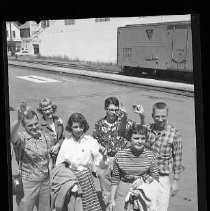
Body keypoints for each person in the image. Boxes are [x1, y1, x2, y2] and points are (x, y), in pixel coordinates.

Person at [92, 96, 145, 204]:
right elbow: (93, 142)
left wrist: (142, 115)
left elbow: (141, 131)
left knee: (122, 194)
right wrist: (97, 155)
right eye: (111, 110)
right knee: (106, 194)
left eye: (116, 110)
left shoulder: (125, 122)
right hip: (105, 161)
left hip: (121, 160)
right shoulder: (99, 124)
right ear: (105, 109)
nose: (114, 112)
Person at [55, 112, 106, 211]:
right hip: (70, 179)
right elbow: (59, 163)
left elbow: (99, 157)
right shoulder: (66, 142)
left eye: (81, 127)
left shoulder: (90, 140)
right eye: (75, 127)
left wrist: (96, 167)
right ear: (71, 127)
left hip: (86, 178)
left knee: (88, 205)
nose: (78, 130)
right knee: (73, 205)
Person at [140, 102, 184, 211]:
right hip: (146, 176)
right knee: (143, 208)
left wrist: (176, 181)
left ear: (167, 115)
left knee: (161, 209)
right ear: (152, 116)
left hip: (163, 179)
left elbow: (177, 159)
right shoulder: (147, 129)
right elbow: (138, 132)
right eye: (157, 116)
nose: (160, 119)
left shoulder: (174, 133)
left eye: (163, 116)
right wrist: (141, 116)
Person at [107, 122, 160, 211]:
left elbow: (155, 177)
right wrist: (111, 200)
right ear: (129, 139)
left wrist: (143, 181)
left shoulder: (150, 156)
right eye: (136, 138)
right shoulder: (120, 155)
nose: (140, 141)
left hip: (143, 192)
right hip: (123, 190)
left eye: (143, 138)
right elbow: (115, 179)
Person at [10, 102, 51, 211]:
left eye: (35, 123)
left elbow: (48, 157)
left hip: (45, 182)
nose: (34, 127)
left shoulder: (44, 136)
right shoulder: (22, 138)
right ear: (24, 126)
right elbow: (11, 134)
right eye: (30, 125)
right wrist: (19, 119)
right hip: (28, 184)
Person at [37, 98, 65, 169]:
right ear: (41, 111)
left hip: (59, 155)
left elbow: (62, 137)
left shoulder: (58, 120)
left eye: (49, 109)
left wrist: (57, 145)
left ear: (53, 108)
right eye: (44, 110)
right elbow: (38, 142)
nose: (47, 111)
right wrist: (50, 150)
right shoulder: (39, 123)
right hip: (46, 157)